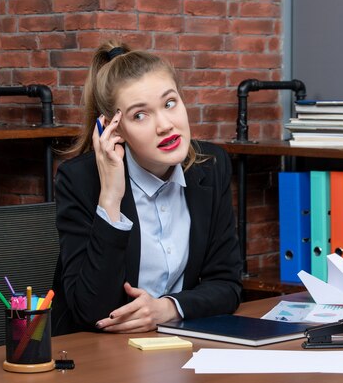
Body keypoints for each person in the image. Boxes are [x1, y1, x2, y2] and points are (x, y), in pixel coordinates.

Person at [51, 41, 243, 335]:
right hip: (96, 357)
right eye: (140, 115)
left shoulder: (211, 167)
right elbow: (90, 312)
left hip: (176, 345)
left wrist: (167, 308)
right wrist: (111, 198)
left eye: (170, 103)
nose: (165, 125)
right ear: (113, 129)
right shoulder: (80, 180)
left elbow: (227, 284)